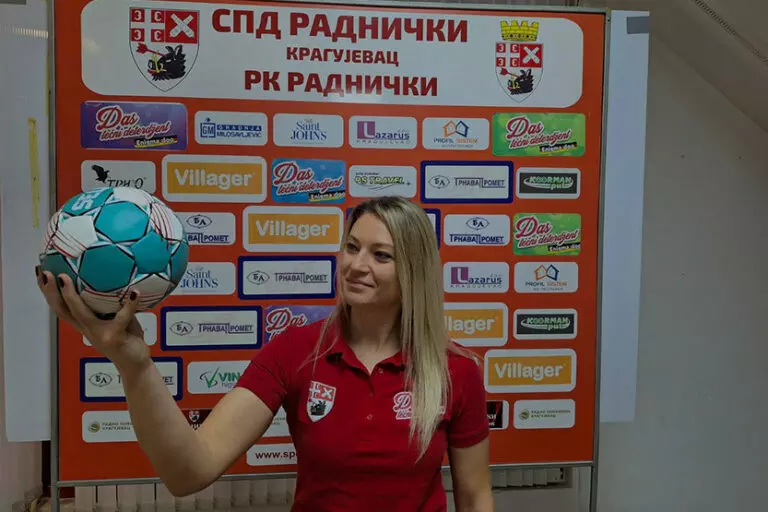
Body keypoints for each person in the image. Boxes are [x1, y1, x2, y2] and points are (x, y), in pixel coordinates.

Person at [37, 196, 494, 511]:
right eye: (352, 247)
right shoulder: (295, 351)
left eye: (381, 255)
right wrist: (133, 362)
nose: (357, 265)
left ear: (413, 271)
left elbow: (475, 498)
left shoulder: (456, 370)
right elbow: (189, 471)